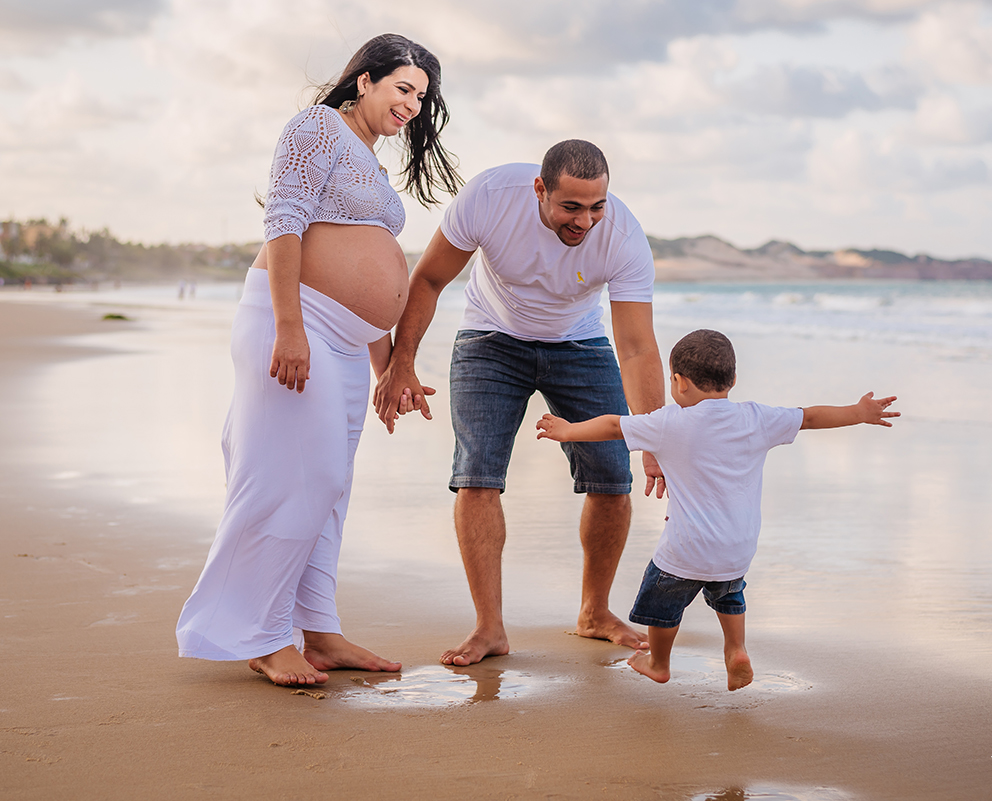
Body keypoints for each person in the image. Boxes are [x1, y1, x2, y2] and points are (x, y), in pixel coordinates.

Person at [176, 34, 461, 687]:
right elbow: (284, 221)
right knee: (296, 479)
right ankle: (263, 634)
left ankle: (320, 628)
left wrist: (392, 368)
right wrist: (290, 326)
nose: (413, 105)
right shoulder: (317, 127)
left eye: (421, 96)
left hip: (341, 341)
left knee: (329, 488)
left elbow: (371, 277)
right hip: (296, 325)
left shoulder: (366, 157)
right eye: (403, 88)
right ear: (363, 80)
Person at [372, 140, 665, 666]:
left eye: (596, 206)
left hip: (579, 342)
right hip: (490, 338)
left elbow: (638, 347)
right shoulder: (490, 195)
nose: (586, 221)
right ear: (540, 189)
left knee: (610, 475)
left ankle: (594, 612)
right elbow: (431, 278)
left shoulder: (622, 236)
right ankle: (490, 628)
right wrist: (402, 362)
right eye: (571, 207)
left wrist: (655, 436)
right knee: (477, 473)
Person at [535, 329, 900, 690]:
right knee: (728, 594)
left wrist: (568, 431)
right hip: (738, 548)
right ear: (734, 379)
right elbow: (809, 417)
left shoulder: (668, 422)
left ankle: (658, 662)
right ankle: (736, 649)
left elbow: (615, 426)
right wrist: (857, 412)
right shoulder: (758, 418)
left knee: (662, 606)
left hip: (685, 548)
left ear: (678, 382)